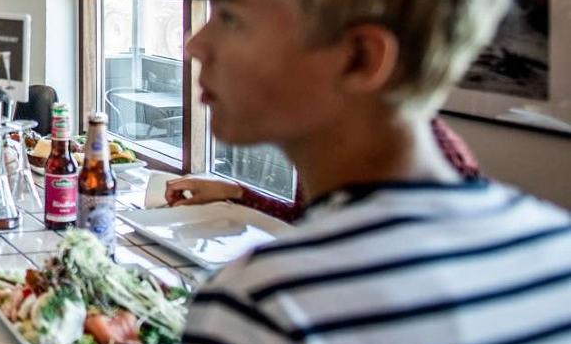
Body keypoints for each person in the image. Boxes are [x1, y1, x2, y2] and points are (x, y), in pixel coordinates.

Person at [164, 0, 570, 344]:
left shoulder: (269, 310)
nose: (194, 45)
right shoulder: (556, 250)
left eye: (230, 15)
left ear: (360, 58)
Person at [164, 117, 479, 222]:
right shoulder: (323, 137)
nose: (196, 44)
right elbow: (306, 217)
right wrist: (234, 192)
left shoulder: (426, 158)